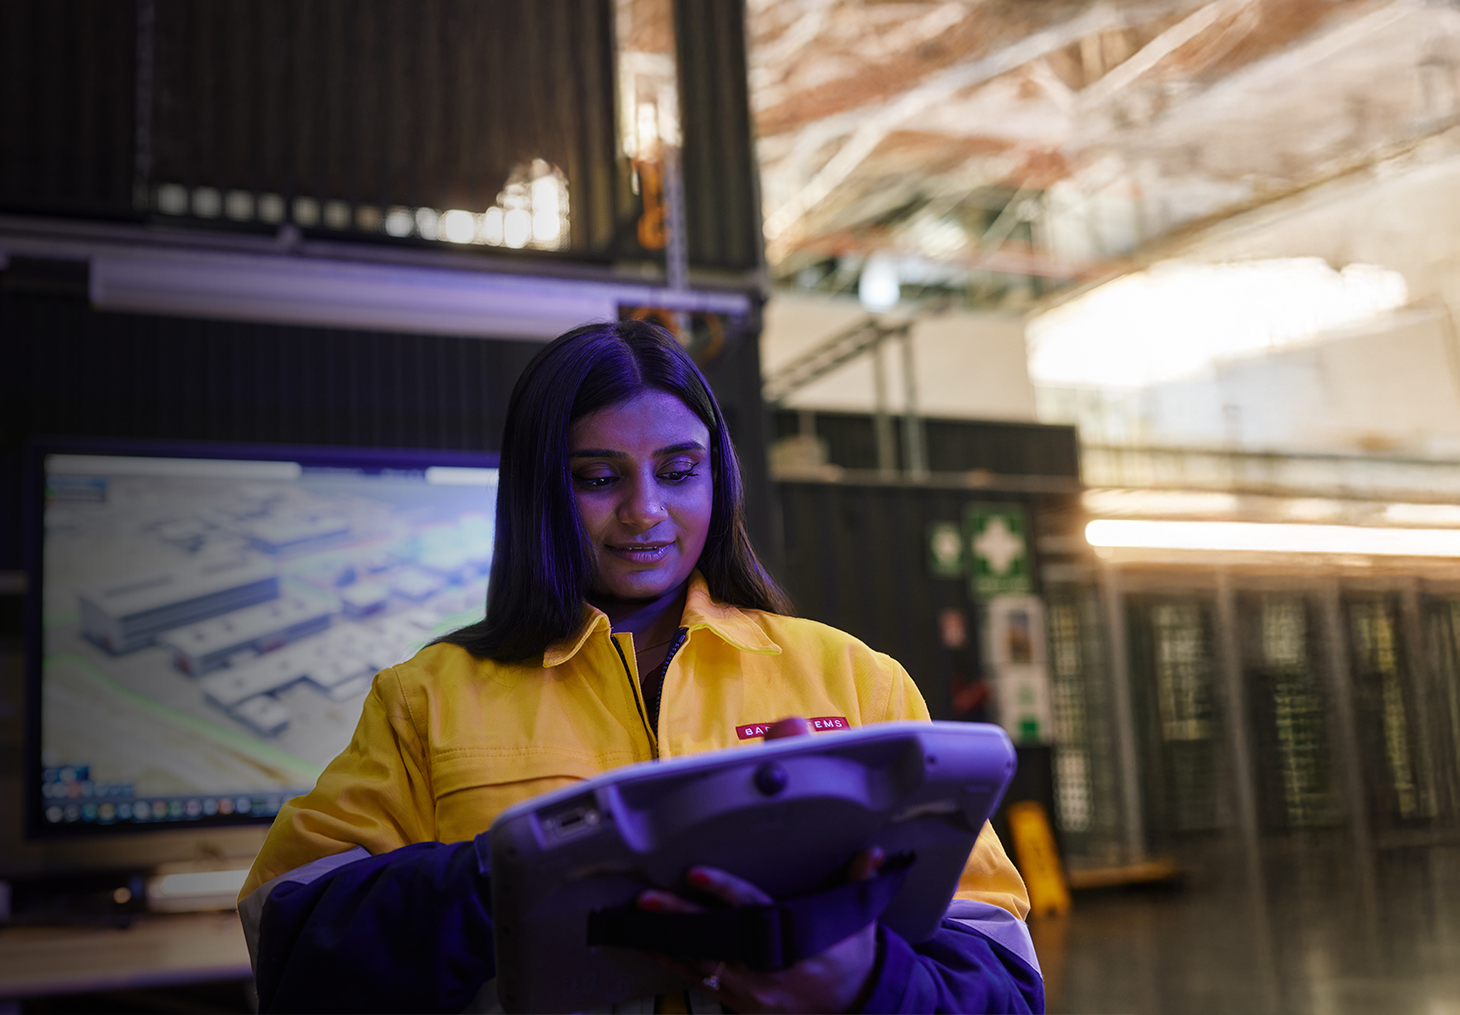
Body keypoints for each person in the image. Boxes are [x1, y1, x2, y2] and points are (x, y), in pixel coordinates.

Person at [238, 321, 1045, 1014]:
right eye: (597, 479)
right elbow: (292, 942)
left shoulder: (854, 681)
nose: (646, 511)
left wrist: (866, 982)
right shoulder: (428, 698)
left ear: (717, 474)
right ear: (538, 492)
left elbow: (1006, 981)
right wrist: (510, 875)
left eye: (678, 470)